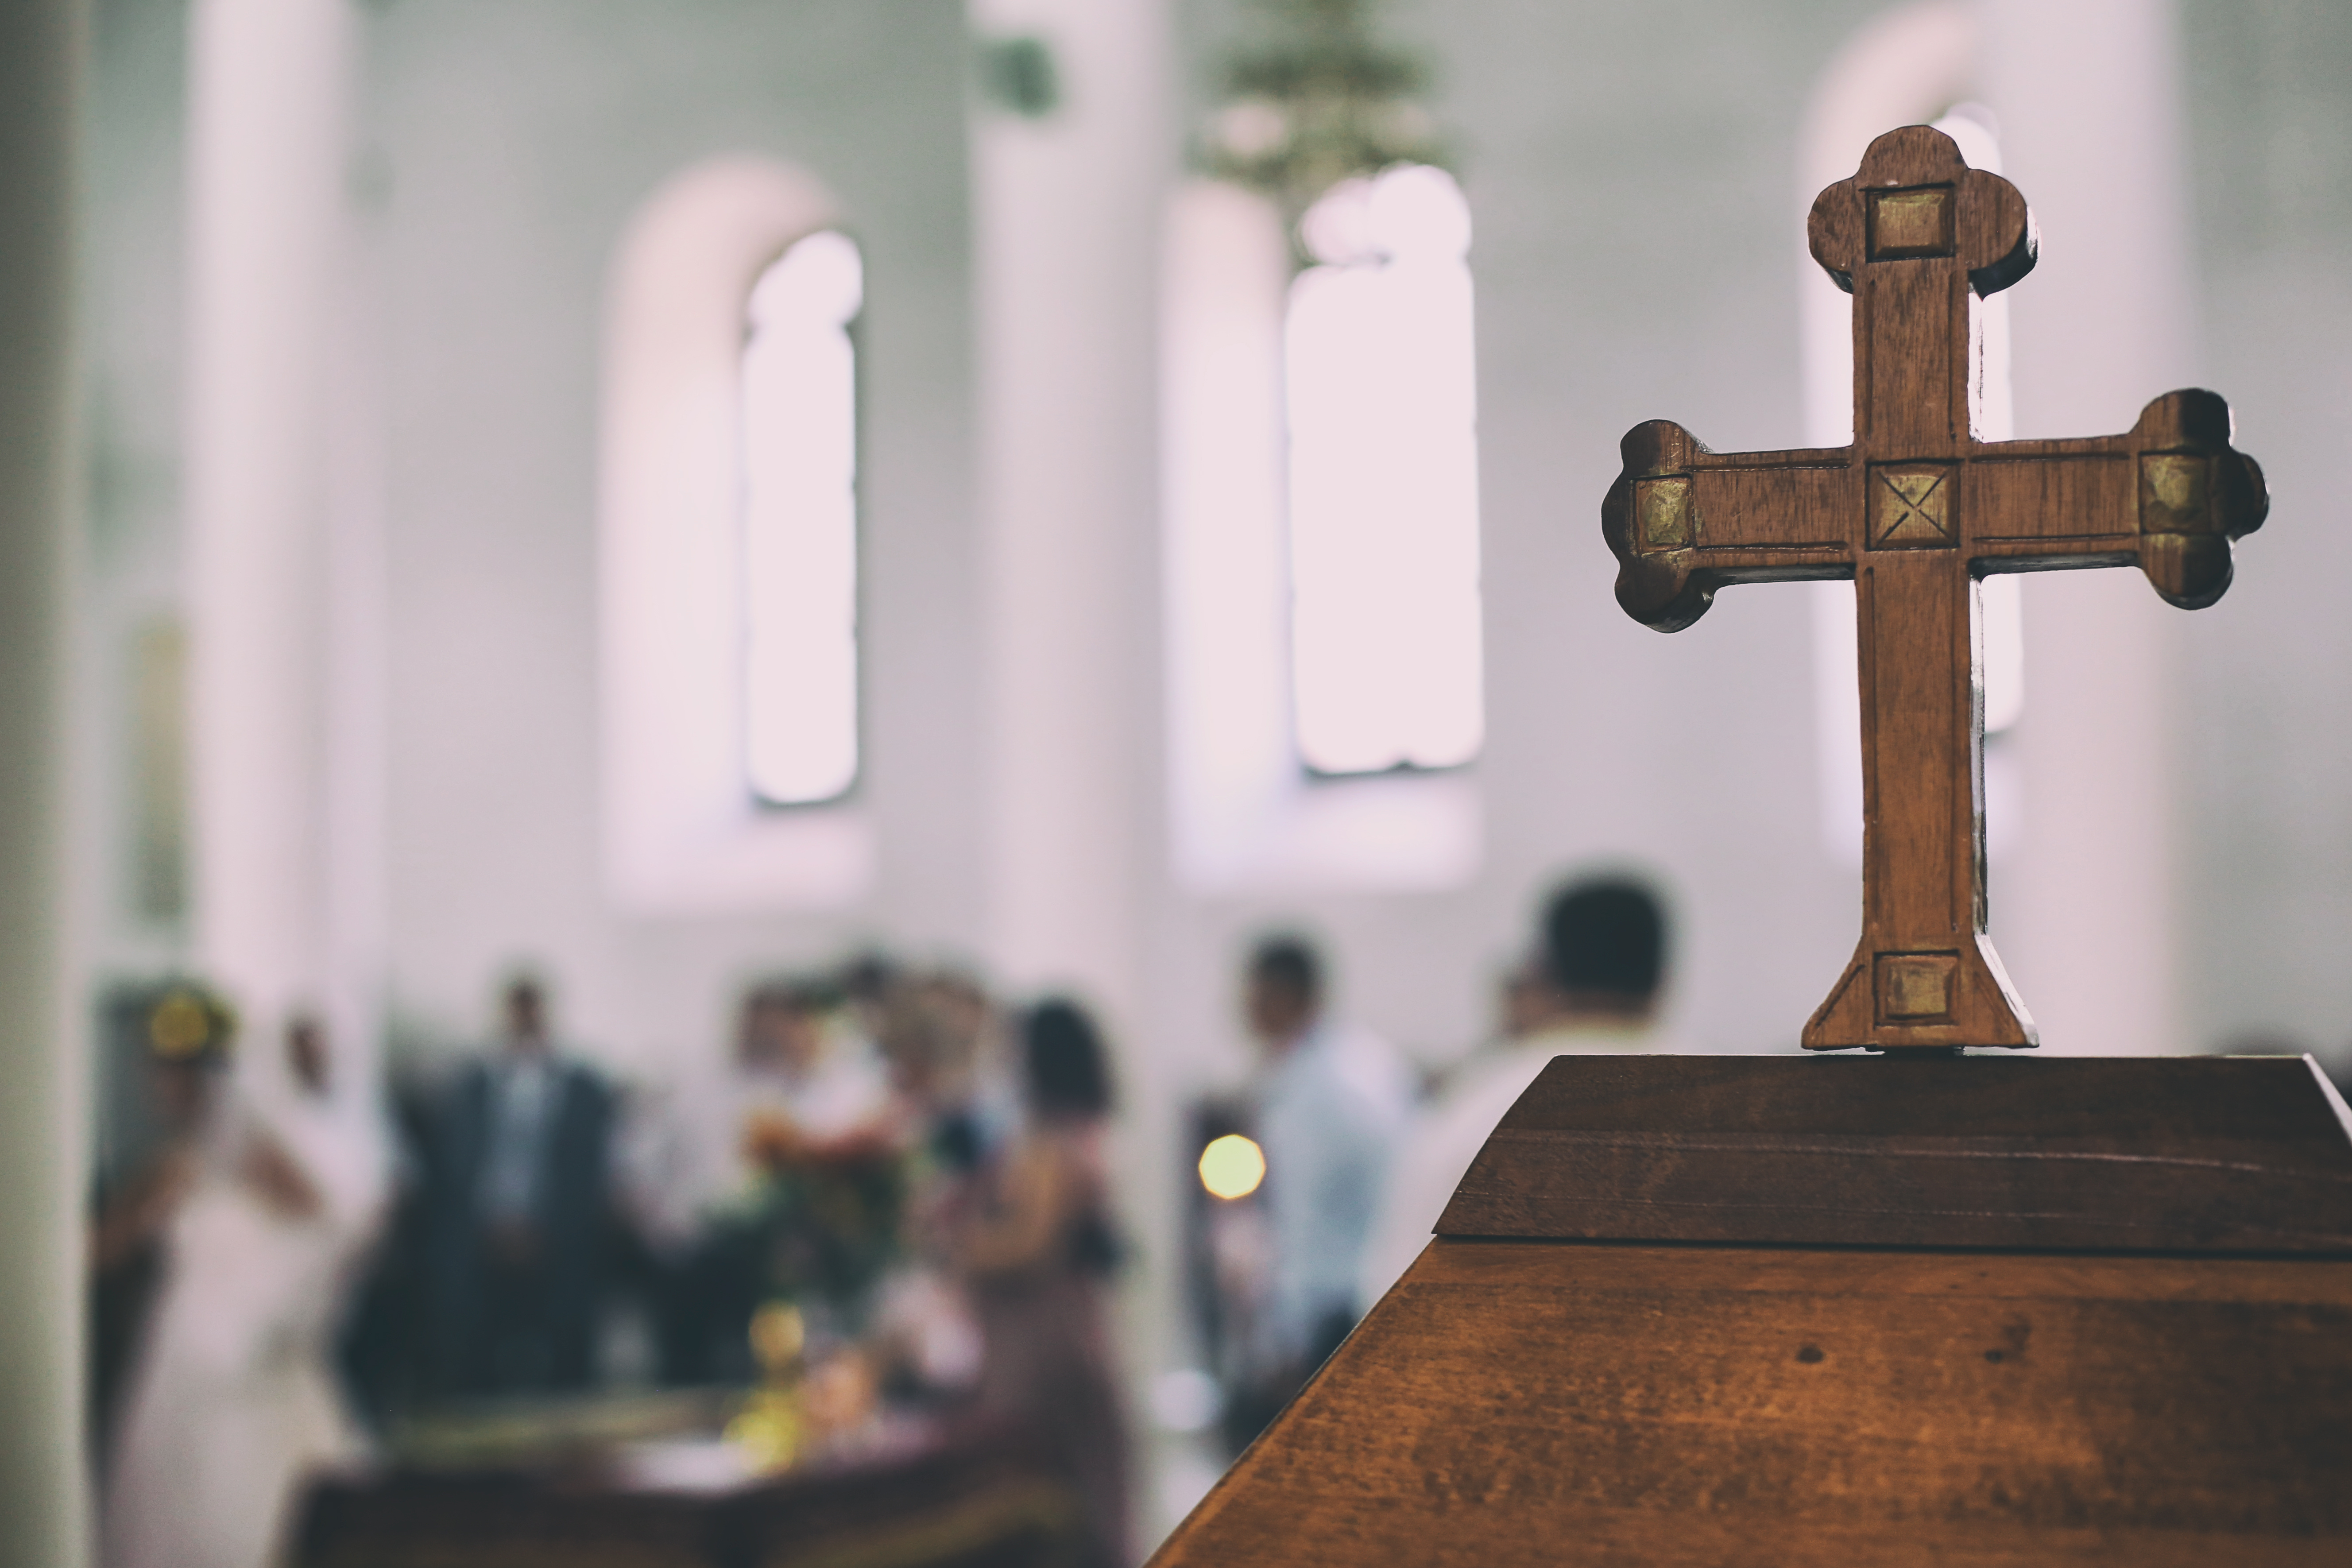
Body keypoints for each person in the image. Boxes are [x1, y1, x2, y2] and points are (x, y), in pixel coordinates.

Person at [102, 1001, 388, 1568]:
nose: (162, 1085)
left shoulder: (249, 1150)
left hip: (241, 1360)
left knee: (242, 1508)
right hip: (181, 1358)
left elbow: (338, 1228)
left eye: (176, 1070)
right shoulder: (175, 1162)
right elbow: (110, 1241)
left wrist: (271, 1315)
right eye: (158, 1070)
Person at [1357, 875, 1671, 1305]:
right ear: (1663, 977)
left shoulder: (1469, 1112)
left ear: (1547, 972)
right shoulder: (1738, 1108)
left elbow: (1386, 1300)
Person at [959, 999, 1131, 1568]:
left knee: (1050, 1495)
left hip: (1041, 1340)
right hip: (1052, 1330)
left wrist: (953, 1243)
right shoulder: (1074, 1135)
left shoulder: (1052, 1146)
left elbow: (1029, 1248)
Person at [421, 972, 615, 1396]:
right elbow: (454, 1170)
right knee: (476, 1368)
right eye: (517, 1008)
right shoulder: (469, 1085)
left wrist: (541, 1229)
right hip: (482, 1240)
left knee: (564, 1368)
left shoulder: (584, 1087)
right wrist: (495, 1225)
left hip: (557, 1244)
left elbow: (589, 1175)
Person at [1244, 935, 1412, 1376]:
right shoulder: (1365, 1061)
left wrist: (1287, 1332)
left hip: (1335, 1310)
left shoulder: (1319, 1090)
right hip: (1375, 1290)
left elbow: (1305, 1219)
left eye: (1253, 995)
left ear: (1282, 995)